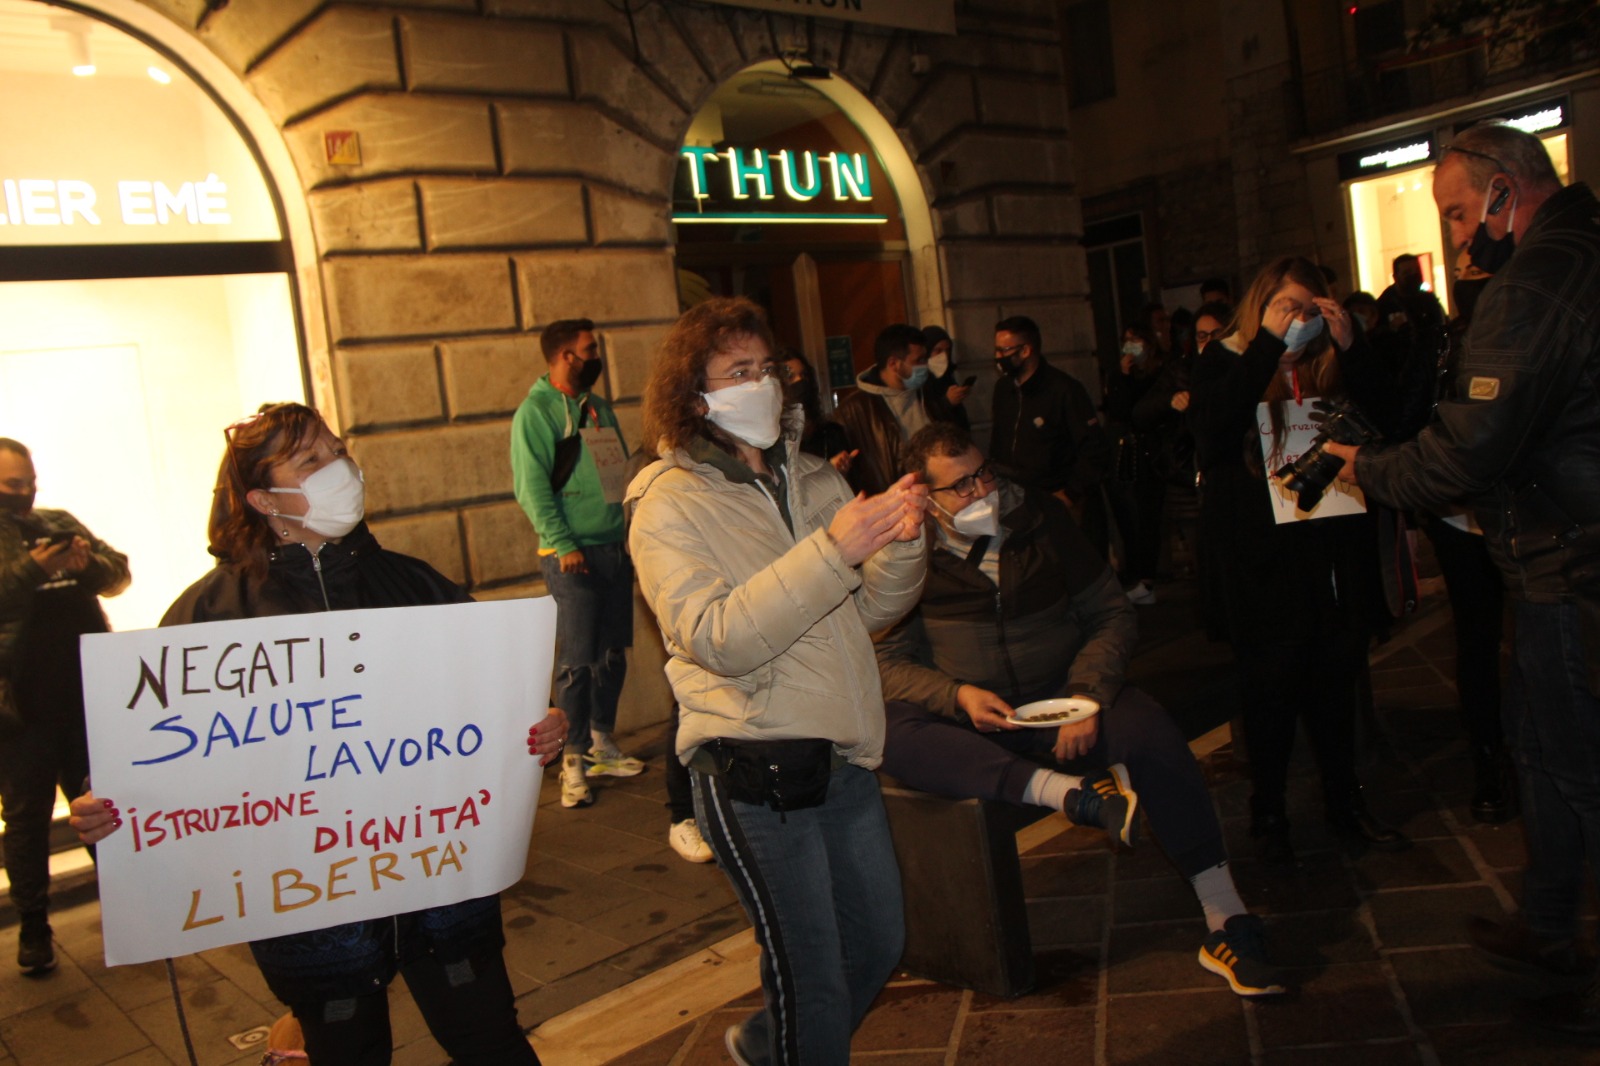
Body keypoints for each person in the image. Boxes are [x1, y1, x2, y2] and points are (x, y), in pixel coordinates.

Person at [68, 402, 564, 1064]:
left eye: (338, 450)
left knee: (493, 1045)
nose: (341, 468)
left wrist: (542, 731)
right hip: (315, 926)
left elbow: (501, 712)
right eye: (312, 460)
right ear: (262, 498)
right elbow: (153, 765)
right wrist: (105, 813)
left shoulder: (415, 585)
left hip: (445, 903)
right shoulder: (208, 616)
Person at [1325, 123, 1600, 1039]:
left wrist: (1369, 469)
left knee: (1573, 760)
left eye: (1454, 212)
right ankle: (1550, 924)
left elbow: (1474, 444)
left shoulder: (1535, 284)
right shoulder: (1582, 250)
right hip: (1563, 550)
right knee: (1539, 746)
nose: (1450, 236)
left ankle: (1556, 928)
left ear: (1502, 191)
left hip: (1572, 564)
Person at [876, 423, 1284, 997]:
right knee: (891, 732)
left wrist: (1086, 696)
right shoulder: (901, 554)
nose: (982, 492)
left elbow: (1112, 613)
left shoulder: (1042, 518)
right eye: (960, 486)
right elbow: (887, 660)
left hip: (1062, 697)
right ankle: (1067, 794)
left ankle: (1226, 916)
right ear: (923, 496)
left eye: (983, 473)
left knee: (1152, 735)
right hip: (976, 719)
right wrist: (958, 695)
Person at [627, 296, 928, 1064]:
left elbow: (868, 614)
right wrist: (832, 551)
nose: (759, 383)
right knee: (813, 977)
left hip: (843, 756)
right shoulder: (668, 502)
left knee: (878, 943)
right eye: (736, 372)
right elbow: (713, 638)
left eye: (765, 368)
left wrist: (899, 541)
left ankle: (768, 1045)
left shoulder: (815, 477)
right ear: (696, 394)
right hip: (753, 766)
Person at [1188, 256, 1407, 864]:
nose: (1300, 321)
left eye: (1311, 309)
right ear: (1261, 307)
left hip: (1331, 550)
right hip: (1260, 559)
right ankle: (1270, 809)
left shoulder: (1328, 366)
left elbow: (1392, 417)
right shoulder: (1228, 359)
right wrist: (1266, 346)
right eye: (1289, 307)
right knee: (1271, 688)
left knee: (1335, 680)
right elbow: (1213, 426)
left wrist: (1349, 344)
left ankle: (1346, 800)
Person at [0, 438, 129, 973]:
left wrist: (88, 564)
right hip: (19, 711)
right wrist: (31, 569)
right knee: (27, 821)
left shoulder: (56, 520)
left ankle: (134, 906)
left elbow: (118, 573)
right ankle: (34, 926)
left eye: (30, 481)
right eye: (13, 485)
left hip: (86, 699)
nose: (26, 492)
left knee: (105, 806)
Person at [510, 318, 643, 810]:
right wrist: (564, 544)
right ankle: (572, 759)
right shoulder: (536, 412)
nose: (597, 354)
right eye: (591, 348)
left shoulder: (598, 407)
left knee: (612, 653)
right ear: (566, 356)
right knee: (577, 660)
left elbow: (621, 471)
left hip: (613, 547)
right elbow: (532, 488)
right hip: (571, 555)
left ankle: (601, 740)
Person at [990, 315, 1114, 556]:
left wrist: (1070, 494)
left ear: (1025, 350)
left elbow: (1095, 449)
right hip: (1018, 503)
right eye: (996, 349)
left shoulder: (1064, 390)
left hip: (1057, 500)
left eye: (1003, 350)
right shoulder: (1003, 390)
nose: (998, 357)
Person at [1103, 324, 1169, 605]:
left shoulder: (1160, 372)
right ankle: (1135, 575)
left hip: (1151, 454)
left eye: (1136, 339)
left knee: (1147, 516)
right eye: (1126, 340)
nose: (1131, 345)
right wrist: (1122, 376)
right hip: (1126, 454)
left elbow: (1143, 412)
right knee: (1127, 516)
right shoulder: (1119, 374)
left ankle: (1147, 578)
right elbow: (1117, 411)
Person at [833, 323, 937, 496]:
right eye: (919, 360)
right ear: (894, 364)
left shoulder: (930, 395)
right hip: (890, 508)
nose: (925, 366)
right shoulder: (853, 410)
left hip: (936, 498)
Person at [776, 348, 855, 477]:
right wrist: (828, 471)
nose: (799, 381)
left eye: (804, 375)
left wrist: (841, 471)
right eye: (790, 377)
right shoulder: (773, 442)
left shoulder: (831, 433)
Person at [919, 325, 973, 430]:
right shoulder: (919, 380)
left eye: (947, 350)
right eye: (938, 351)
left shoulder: (947, 376)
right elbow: (924, 413)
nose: (944, 355)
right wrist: (947, 402)